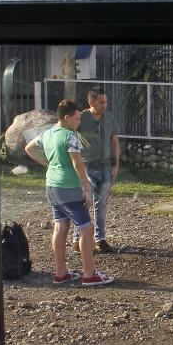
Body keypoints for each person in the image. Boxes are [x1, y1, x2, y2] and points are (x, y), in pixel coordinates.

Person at [25, 99, 114, 287]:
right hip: (69, 186)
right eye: (77, 118)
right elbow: (77, 163)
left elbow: (30, 147)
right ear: (66, 118)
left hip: (52, 185)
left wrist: (48, 163)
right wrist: (87, 188)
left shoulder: (47, 133)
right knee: (86, 228)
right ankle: (89, 274)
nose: (79, 122)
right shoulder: (70, 136)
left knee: (60, 226)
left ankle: (61, 272)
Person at [72, 87, 120, 253]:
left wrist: (116, 164)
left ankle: (100, 238)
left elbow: (115, 142)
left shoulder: (110, 118)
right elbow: (70, 137)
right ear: (91, 102)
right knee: (84, 203)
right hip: (86, 167)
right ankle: (77, 238)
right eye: (101, 102)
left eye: (105, 101)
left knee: (101, 204)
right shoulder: (82, 117)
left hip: (105, 167)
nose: (104, 105)